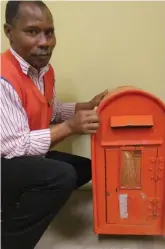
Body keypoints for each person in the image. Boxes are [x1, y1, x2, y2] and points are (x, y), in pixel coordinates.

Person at [1, 1, 107, 248]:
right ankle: (9, 240)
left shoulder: (44, 71)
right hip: (5, 158)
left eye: (49, 32)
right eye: (32, 31)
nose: (44, 41)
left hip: (21, 159)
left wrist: (86, 106)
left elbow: (53, 109)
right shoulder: (3, 77)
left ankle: (14, 204)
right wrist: (70, 127)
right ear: (9, 32)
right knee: (61, 176)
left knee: (84, 168)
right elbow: (15, 146)